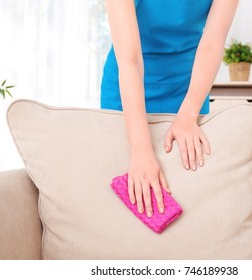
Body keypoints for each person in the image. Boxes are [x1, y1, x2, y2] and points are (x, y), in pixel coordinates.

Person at [101, 0, 239, 218]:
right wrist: (141, 150)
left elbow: (213, 42)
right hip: (127, 83)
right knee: (127, 190)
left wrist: (188, 114)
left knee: (188, 187)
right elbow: (130, 59)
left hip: (188, 88)